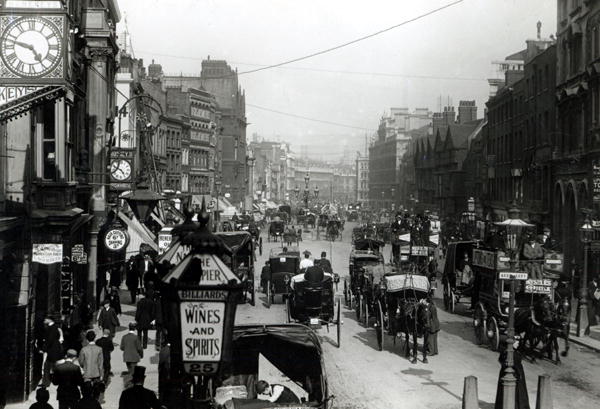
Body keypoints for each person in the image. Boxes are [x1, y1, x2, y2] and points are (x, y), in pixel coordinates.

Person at [494, 339, 530, 409]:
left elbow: (500, 360)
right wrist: (519, 374)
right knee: (518, 393)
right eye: (516, 342)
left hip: (508, 373)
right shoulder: (511, 353)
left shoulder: (506, 352)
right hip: (514, 375)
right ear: (512, 343)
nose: (518, 344)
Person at [40, 316, 64, 388]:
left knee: (47, 366)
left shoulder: (52, 328)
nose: (44, 320)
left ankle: (46, 383)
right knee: (53, 366)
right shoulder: (55, 327)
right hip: (54, 350)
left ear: (49, 320)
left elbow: (49, 340)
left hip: (51, 350)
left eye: (45, 319)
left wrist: (44, 349)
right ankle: (52, 381)